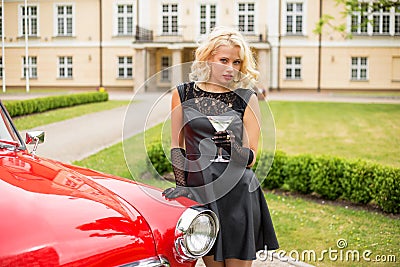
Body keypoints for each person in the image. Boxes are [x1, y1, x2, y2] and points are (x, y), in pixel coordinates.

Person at [163, 26, 279, 267]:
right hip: (202, 190)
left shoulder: (247, 98)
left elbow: (251, 157)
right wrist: (182, 185)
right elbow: (177, 145)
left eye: (237, 62)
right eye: (223, 60)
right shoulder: (183, 94)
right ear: (207, 59)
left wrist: (232, 148)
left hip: (239, 192)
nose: (231, 68)